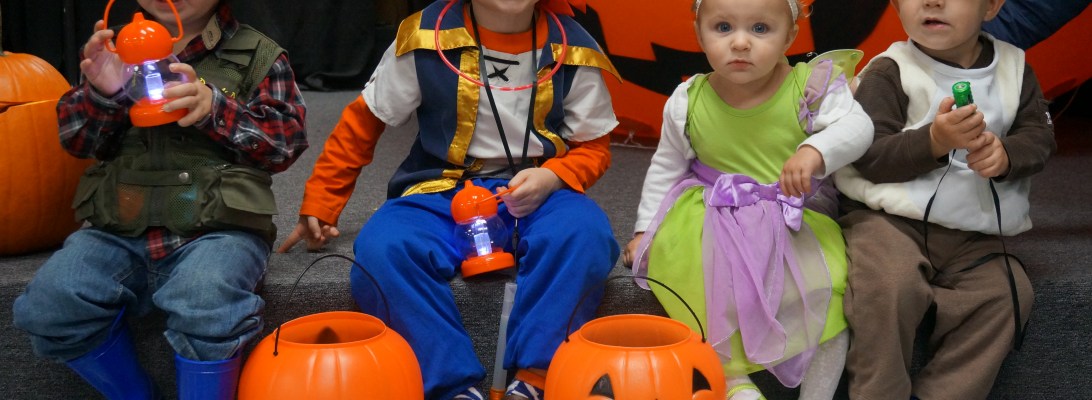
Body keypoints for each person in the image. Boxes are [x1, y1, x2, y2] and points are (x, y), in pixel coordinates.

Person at [276, 0, 620, 398]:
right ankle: (450, 383)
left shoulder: (573, 47)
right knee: (383, 249)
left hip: (536, 191)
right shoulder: (425, 36)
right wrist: (322, 201)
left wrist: (553, 176)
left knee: (584, 236)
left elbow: (594, 147)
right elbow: (362, 124)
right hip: (440, 188)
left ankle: (538, 376)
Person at [11, 0, 308, 398]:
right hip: (118, 229)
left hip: (219, 230)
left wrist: (215, 109)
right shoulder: (115, 53)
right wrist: (103, 95)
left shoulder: (259, 55)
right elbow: (77, 141)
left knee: (207, 299)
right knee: (50, 304)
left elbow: (287, 143)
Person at [622, 0, 874, 398]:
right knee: (699, 293)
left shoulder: (810, 88)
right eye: (723, 28)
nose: (740, 43)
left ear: (789, 35)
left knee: (829, 299)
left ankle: (817, 393)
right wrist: (643, 230)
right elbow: (665, 167)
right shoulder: (688, 99)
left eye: (760, 29)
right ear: (699, 33)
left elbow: (858, 127)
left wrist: (817, 150)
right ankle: (733, 384)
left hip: (792, 217)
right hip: (713, 217)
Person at [831, 0, 1056, 397]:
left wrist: (1006, 155)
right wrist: (933, 141)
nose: (932, 2)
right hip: (889, 223)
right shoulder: (890, 70)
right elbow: (869, 156)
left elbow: (1039, 137)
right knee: (887, 284)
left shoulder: (1014, 68)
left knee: (1006, 295)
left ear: (992, 6)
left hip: (973, 235)